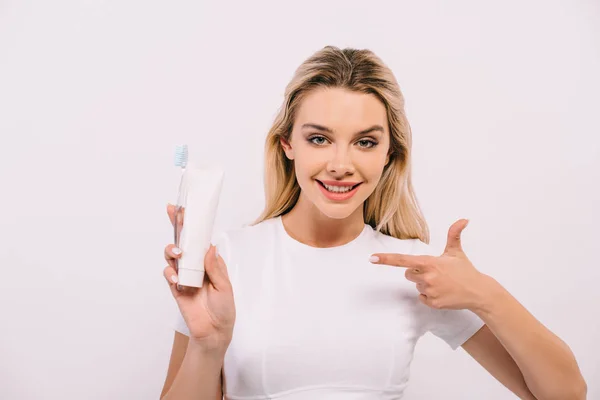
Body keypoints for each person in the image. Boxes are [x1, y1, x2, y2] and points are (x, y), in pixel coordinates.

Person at [159, 46, 587, 400]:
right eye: (319, 138)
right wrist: (208, 347)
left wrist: (486, 294)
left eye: (365, 142)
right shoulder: (224, 262)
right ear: (288, 144)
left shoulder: (417, 271)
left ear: (390, 154)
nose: (341, 165)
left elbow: (565, 394)